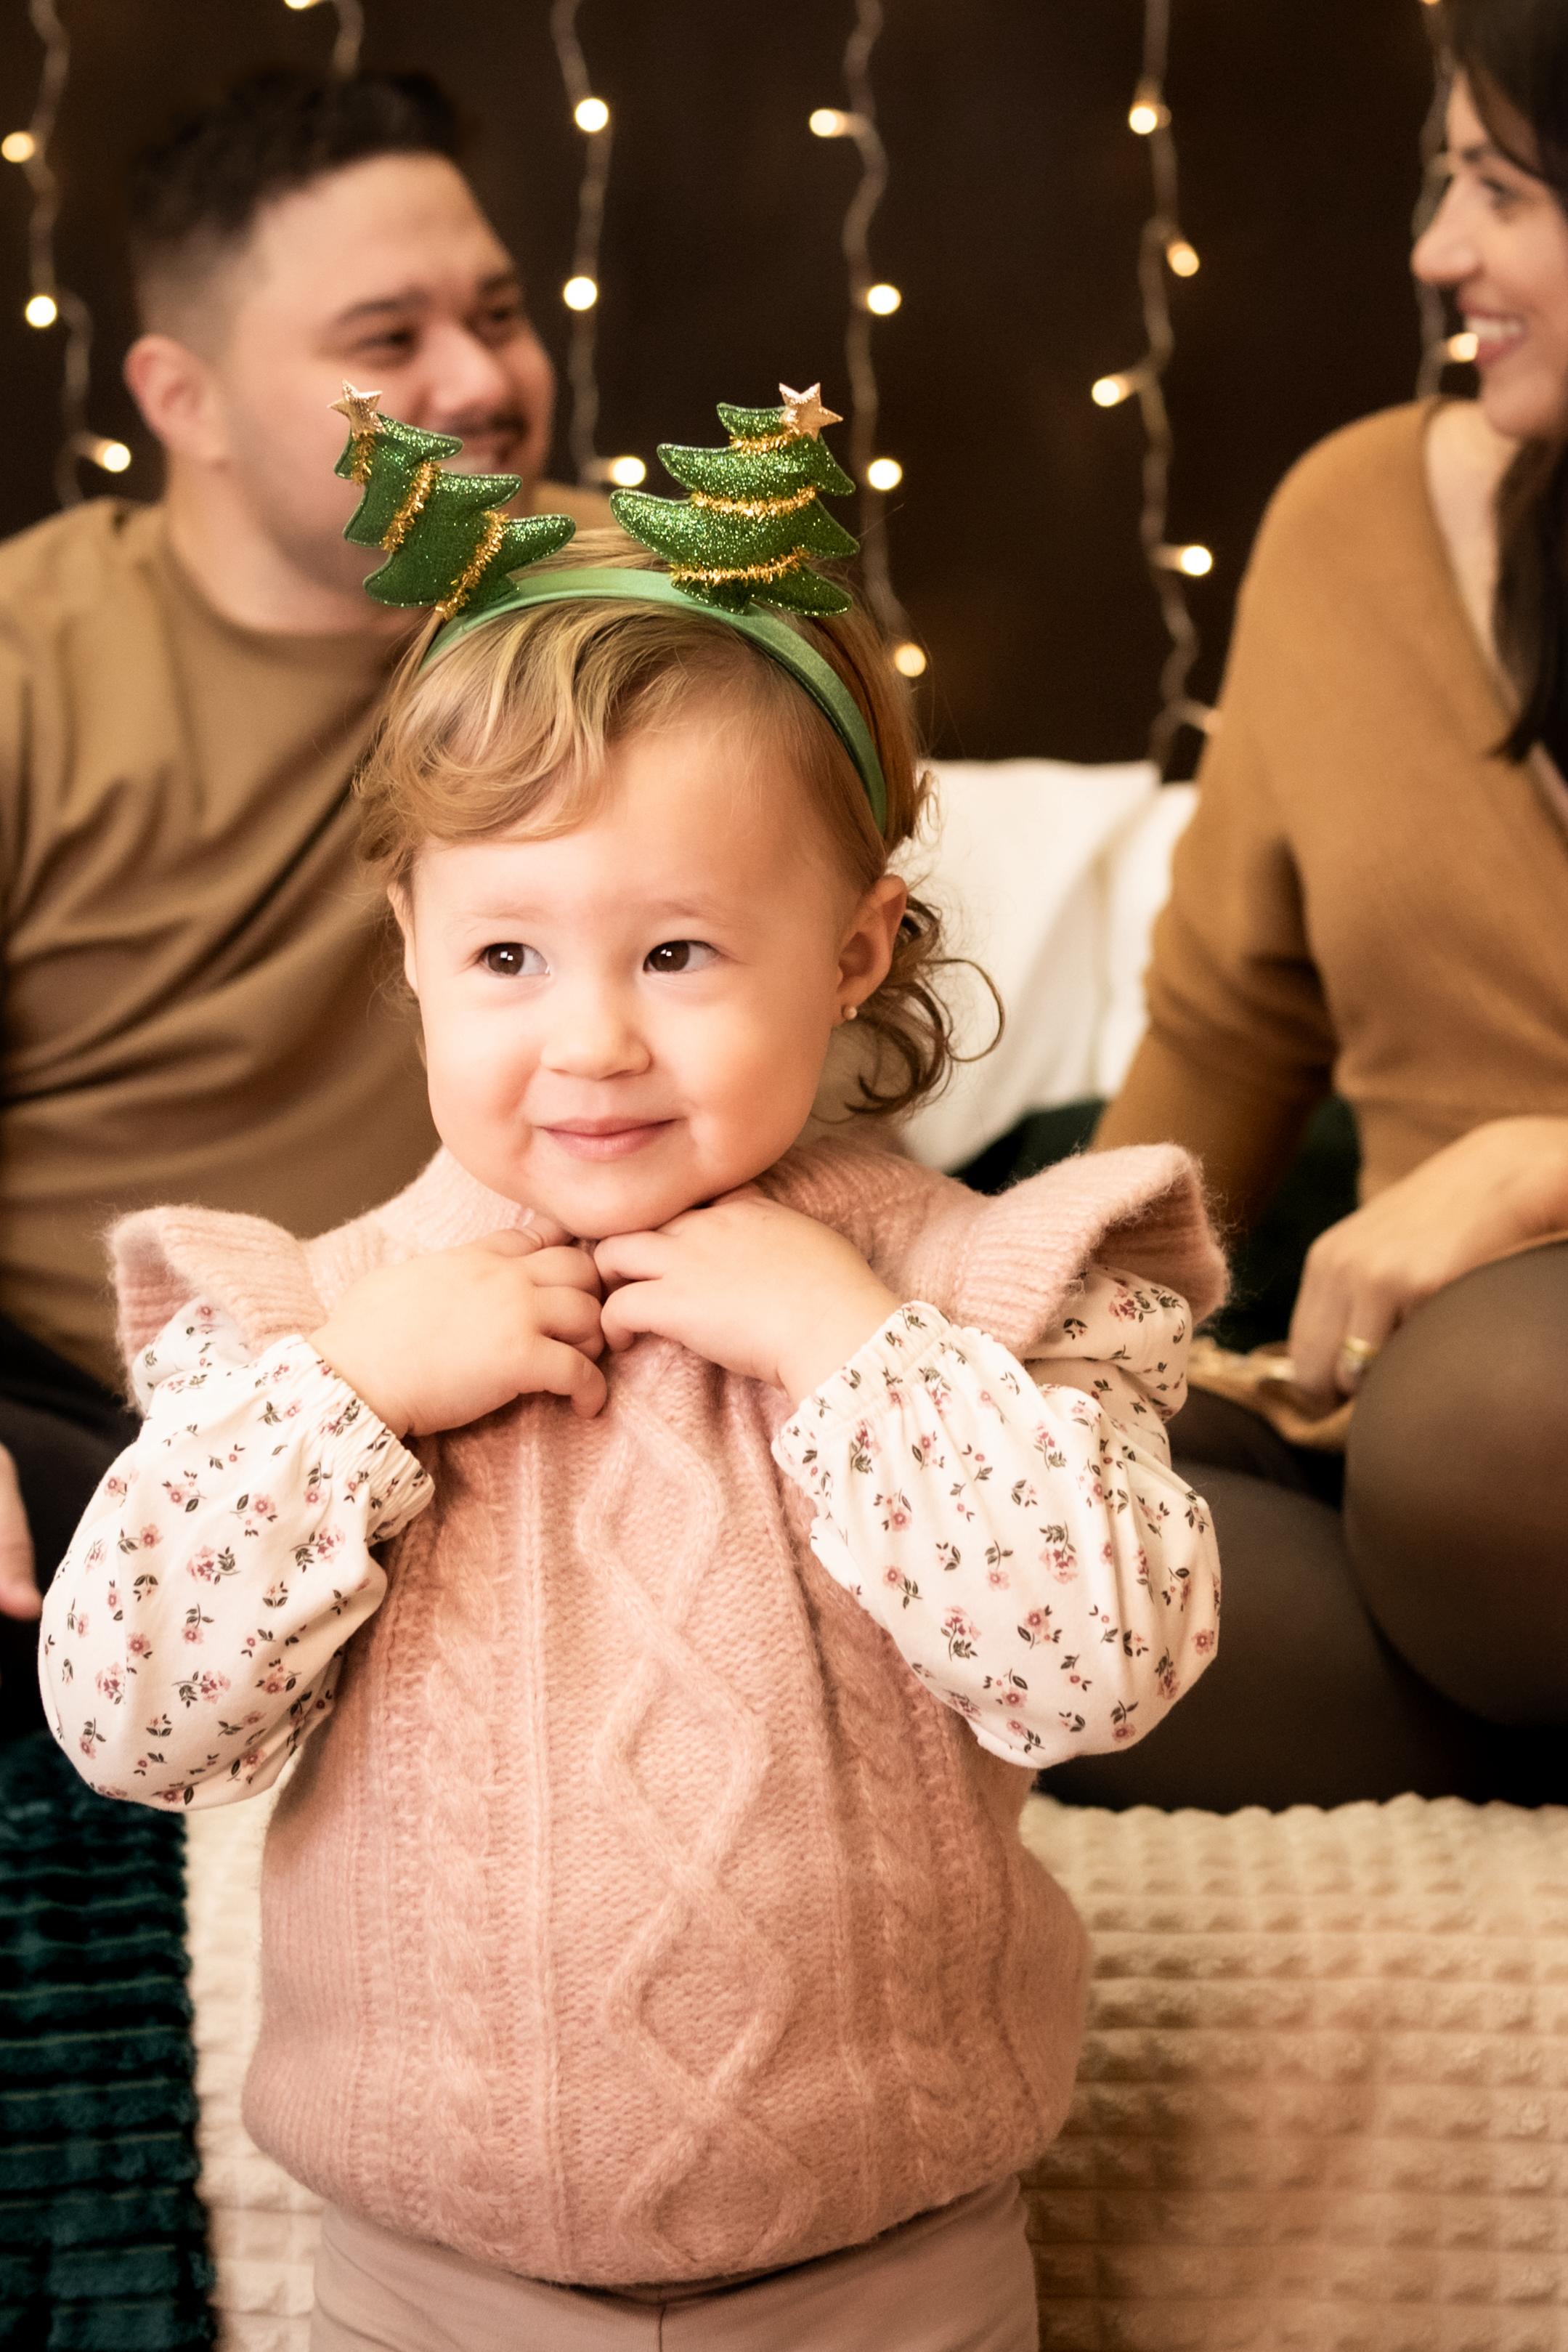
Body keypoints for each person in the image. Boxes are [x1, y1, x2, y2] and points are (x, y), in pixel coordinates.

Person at [40, 386, 1224, 2349]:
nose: (588, 1037)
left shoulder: (972, 1294)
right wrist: (349, 1394)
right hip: (432, 2286)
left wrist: (857, 1345)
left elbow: (1103, 1671)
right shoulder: (312, 1324)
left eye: (678, 952)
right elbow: (129, 1718)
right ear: (412, 939)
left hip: (888, 2273)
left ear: (856, 948)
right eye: (511, 956)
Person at [0, 68, 608, 1723]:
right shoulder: (33, 664)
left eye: (496, 312)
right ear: (181, 397)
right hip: (115, 1425)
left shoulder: (615, 616)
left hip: (538, 1378)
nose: (484, 380)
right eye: (389, 342)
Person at [1076, 0, 1568, 1812]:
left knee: (1499, 1425)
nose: (1443, 252)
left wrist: (1541, 1165)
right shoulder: (1356, 519)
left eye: (1505, 190)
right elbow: (1228, 1026)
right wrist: (1032, 1342)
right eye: (1449, 181)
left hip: (1505, 1434)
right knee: (1003, 1537)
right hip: (1414, 1473)